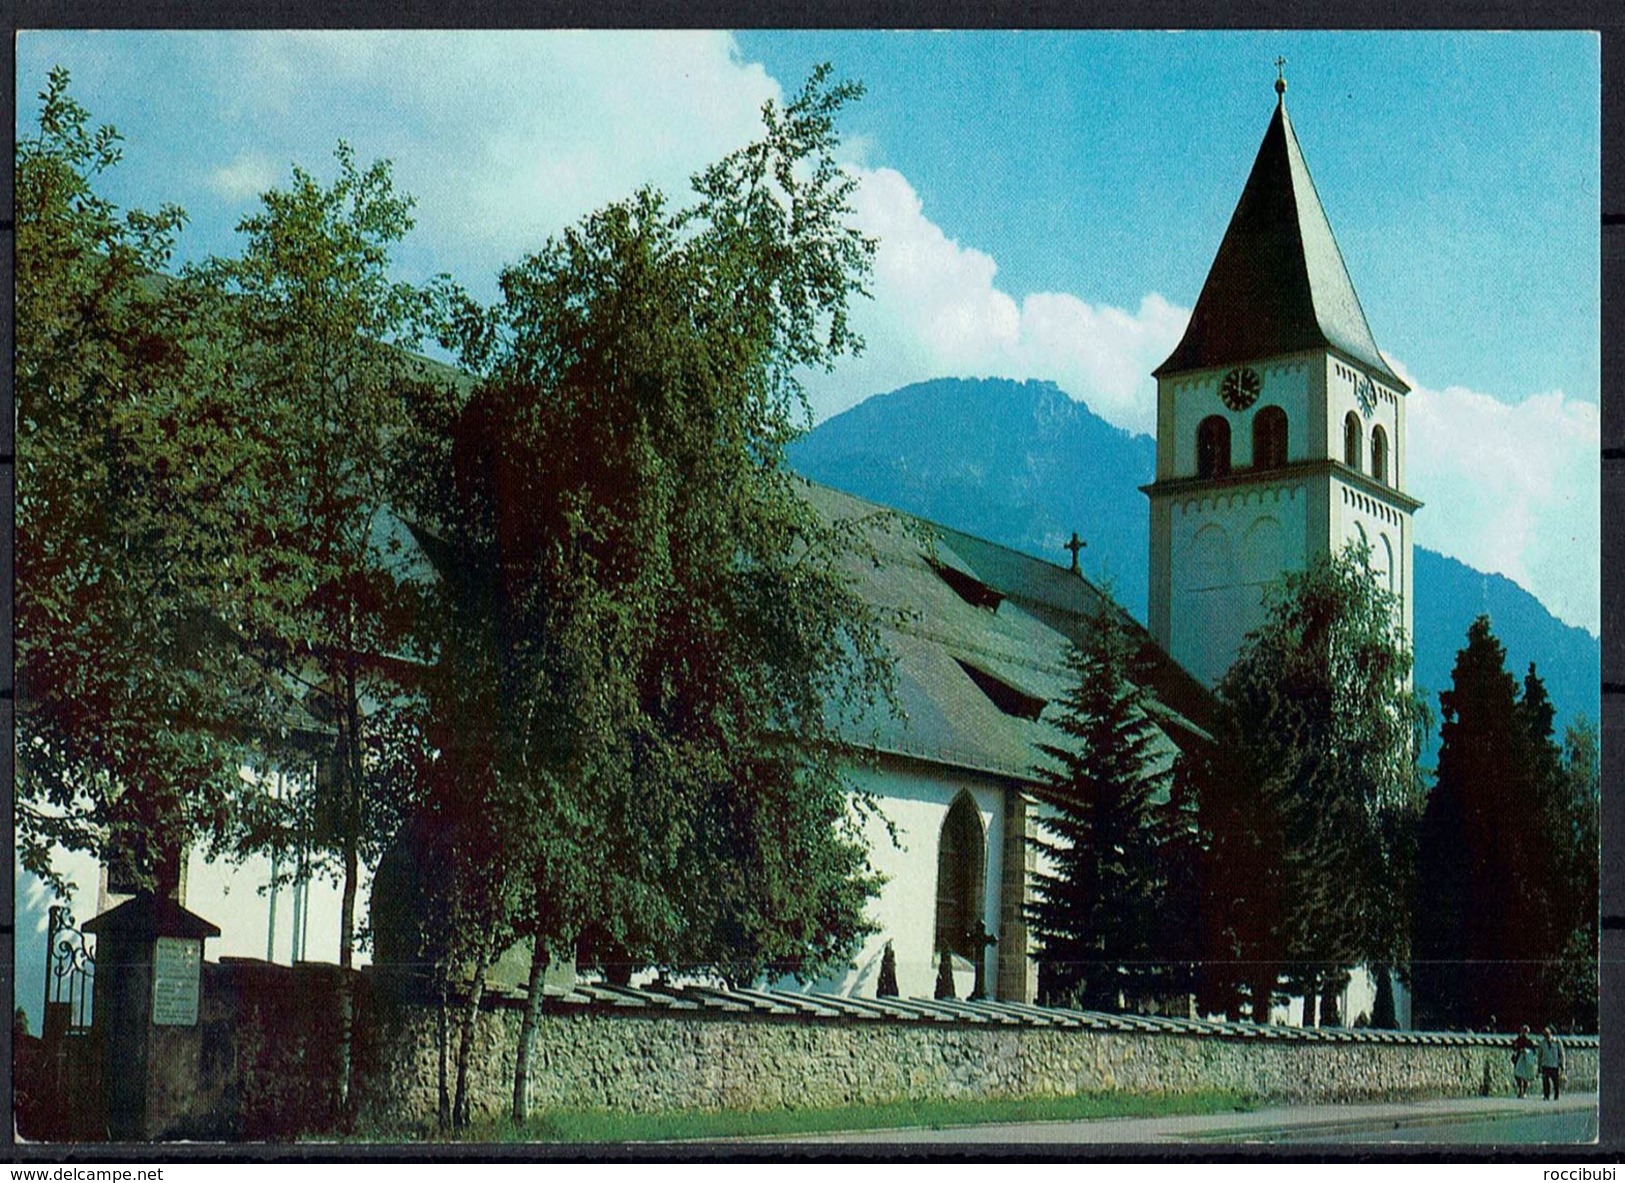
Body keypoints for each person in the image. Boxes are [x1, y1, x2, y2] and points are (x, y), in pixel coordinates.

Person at [1539, 1026, 1566, 1100]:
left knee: (1555, 1082)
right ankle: (1546, 1095)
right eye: (1544, 1034)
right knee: (1545, 1082)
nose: (1546, 1036)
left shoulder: (1557, 1042)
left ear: (1550, 1034)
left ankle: (1556, 1095)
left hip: (1554, 1065)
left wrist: (1562, 1065)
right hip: (1545, 1064)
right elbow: (1539, 1055)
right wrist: (1539, 1066)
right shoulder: (1542, 1043)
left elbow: (1561, 1054)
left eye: (1547, 1034)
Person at [1511, 1025, 1537, 1098]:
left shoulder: (1529, 1041)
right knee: (1517, 1075)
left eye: (1525, 1031)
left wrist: (1527, 1051)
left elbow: (1533, 1051)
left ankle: (1524, 1091)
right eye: (1523, 1031)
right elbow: (1514, 1047)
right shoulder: (1518, 1039)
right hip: (1518, 1059)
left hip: (1526, 1060)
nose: (1523, 1032)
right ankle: (1520, 1089)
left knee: (1525, 1076)